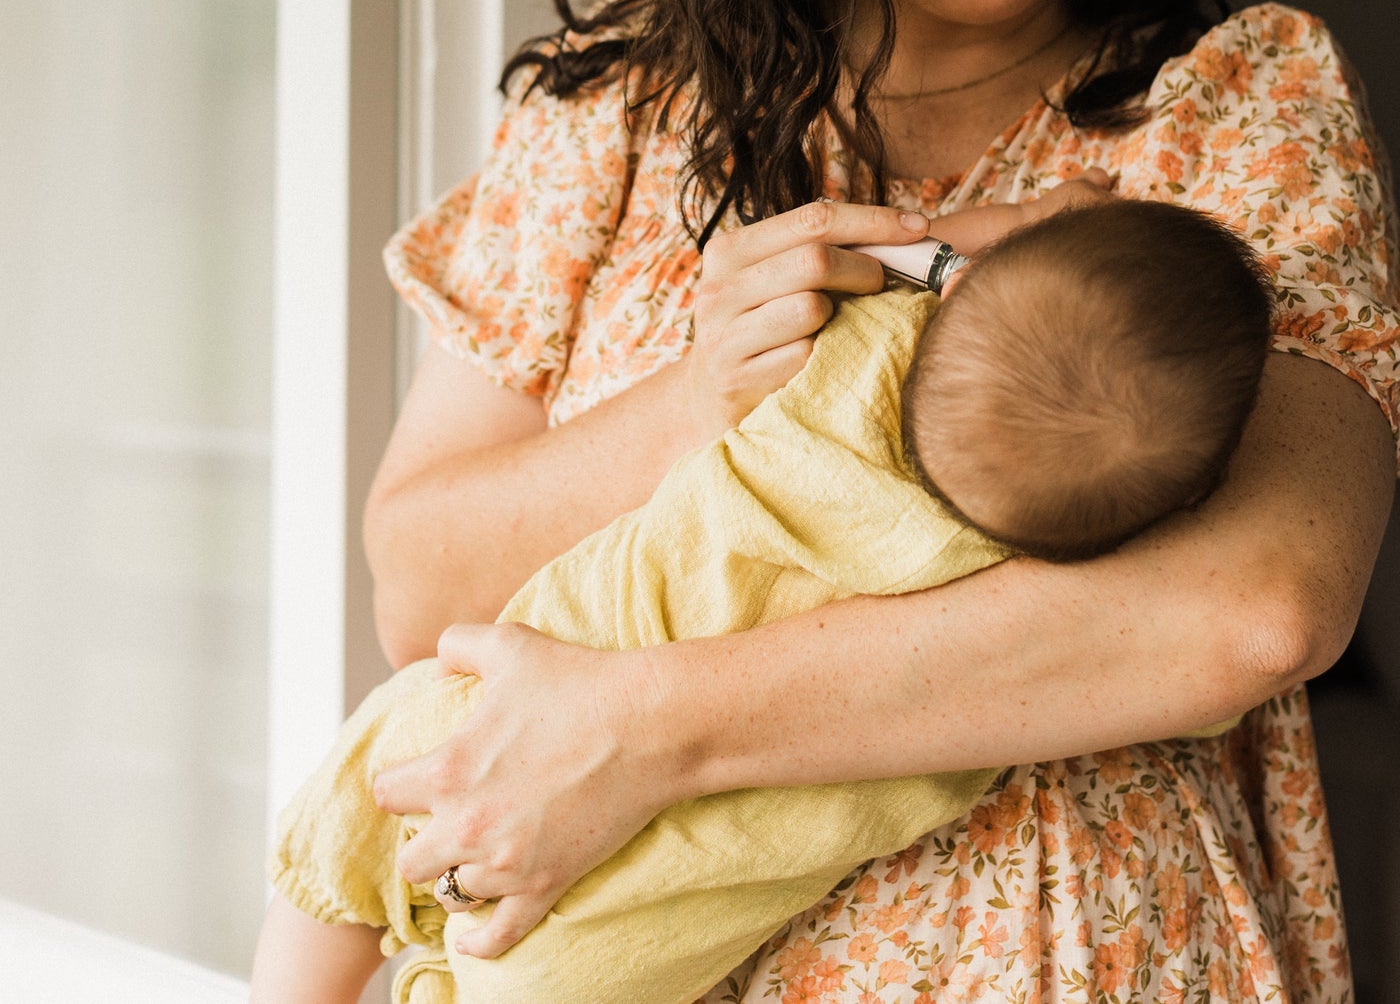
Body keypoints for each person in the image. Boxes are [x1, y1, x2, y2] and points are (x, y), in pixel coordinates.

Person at [354, 0, 1396, 1001]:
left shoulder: (1234, 120)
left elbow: (1255, 608)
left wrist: (649, 731)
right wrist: (694, 404)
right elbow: (420, 587)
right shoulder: (630, 109)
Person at [251, 200, 1273, 1004]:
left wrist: (1010, 228)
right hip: (632, 935)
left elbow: (899, 258)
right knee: (536, 973)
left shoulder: (854, 360)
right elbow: (1208, 654)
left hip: (510, 701)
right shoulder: (1056, 581)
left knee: (361, 801)